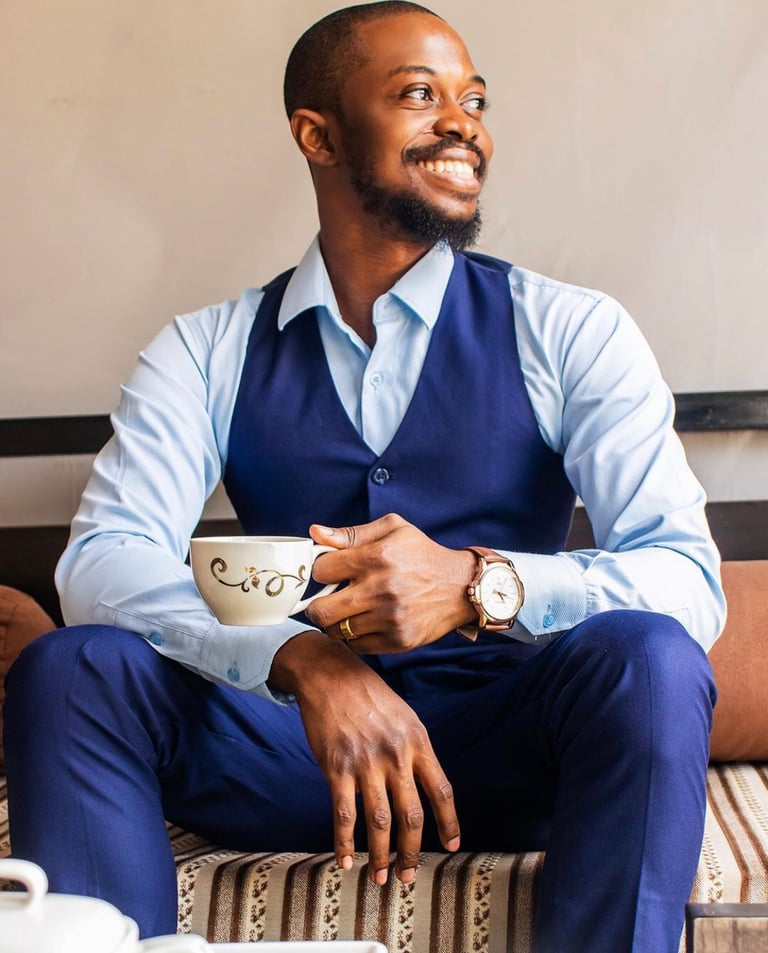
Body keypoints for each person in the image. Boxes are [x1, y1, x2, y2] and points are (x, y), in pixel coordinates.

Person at [3, 3, 725, 952]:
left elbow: (689, 579)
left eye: (473, 99)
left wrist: (478, 585)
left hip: (509, 756)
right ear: (319, 133)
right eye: (420, 94)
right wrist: (298, 661)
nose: (464, 121)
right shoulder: (205, 350)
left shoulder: (570, 329)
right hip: (285, 755)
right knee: (71, 666)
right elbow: (100, 565)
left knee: (654, 658)